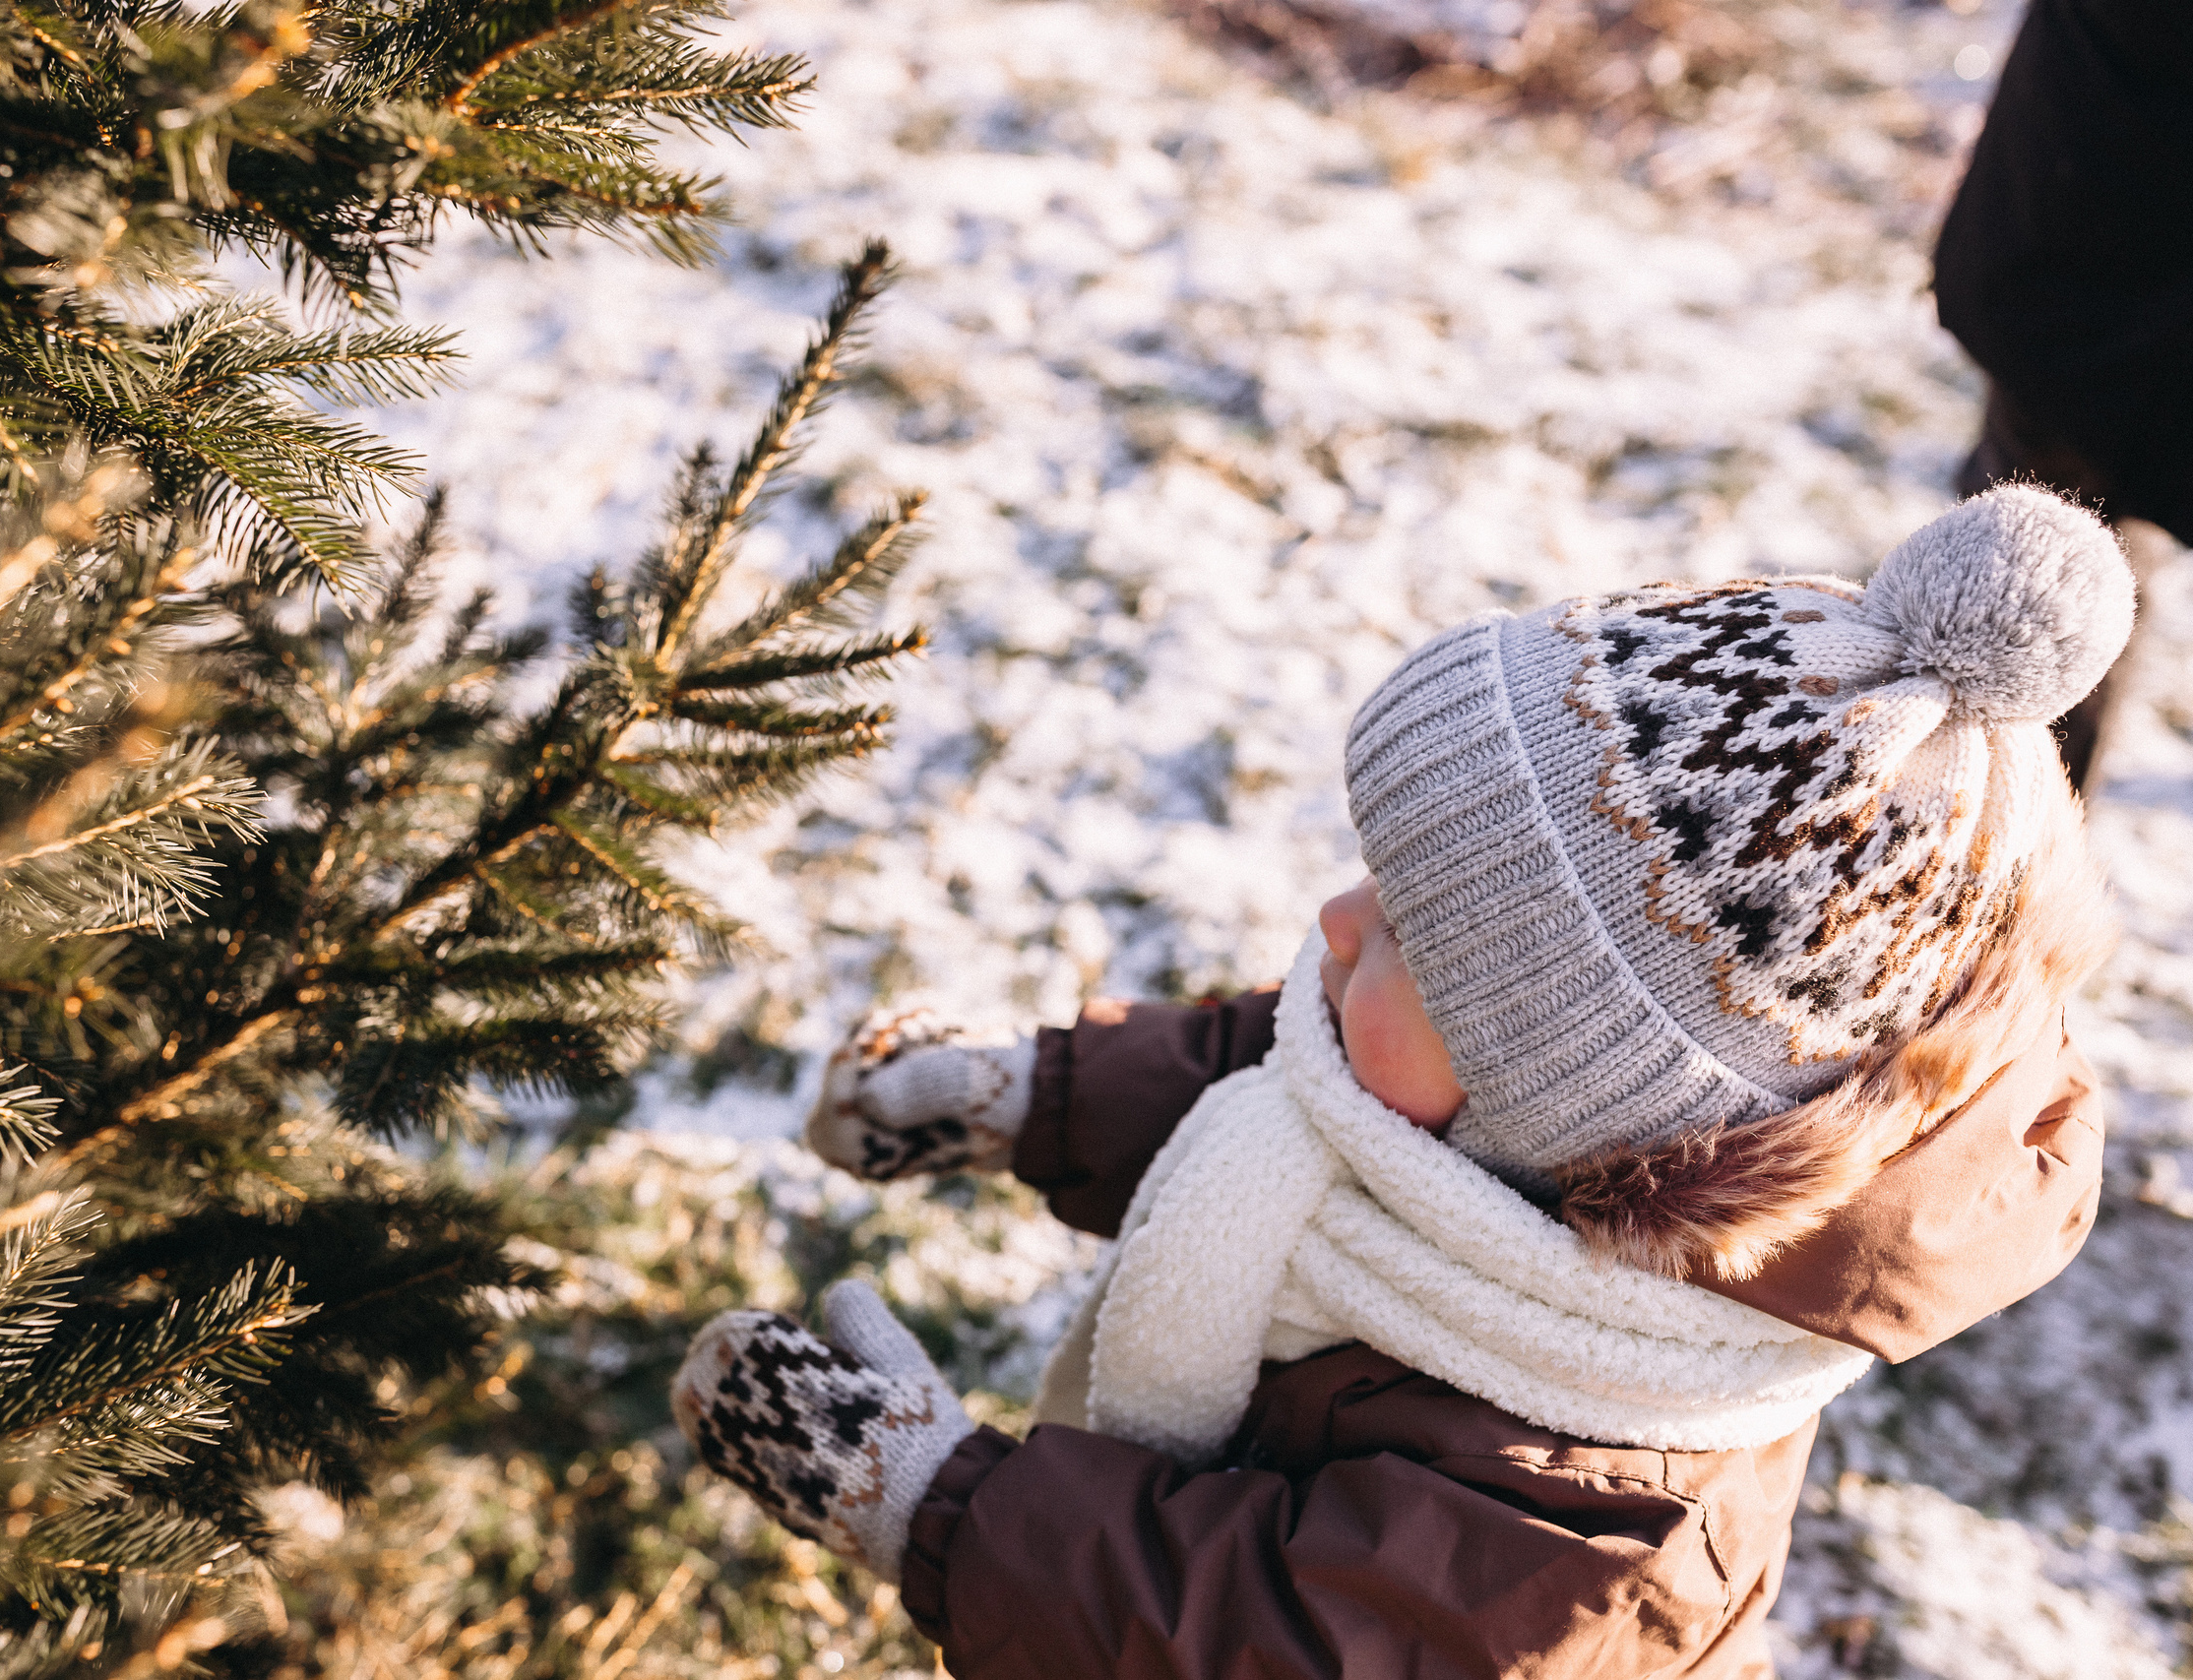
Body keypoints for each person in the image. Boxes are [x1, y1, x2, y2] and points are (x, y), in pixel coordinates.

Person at [673, 485, 2131, 1678]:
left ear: (1576, 1108)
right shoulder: (1477, 1123)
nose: (1337, 923)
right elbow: (1287, 1068)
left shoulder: (1601, 1510)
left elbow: (1259, 1638)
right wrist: (1024, 1092)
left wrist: (938, 1506)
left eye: (1416, 943)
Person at [1934, 0, 2193, 785]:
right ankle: (1986, 876)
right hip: (2082, 243)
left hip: (2076, 234)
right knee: (2019, 604)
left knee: (2023, 590)